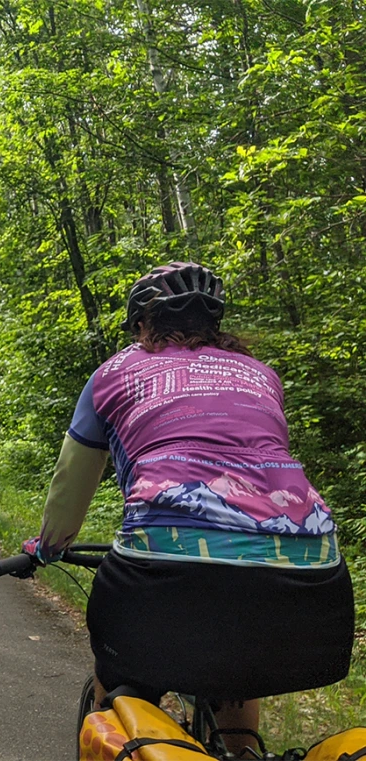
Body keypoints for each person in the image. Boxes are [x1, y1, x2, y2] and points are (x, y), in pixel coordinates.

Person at [23, 261, 353, 753]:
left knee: (119, 689)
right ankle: (240, 748)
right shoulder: (262, 375)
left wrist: (46, 549)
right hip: (315, 579)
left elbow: (71, 482)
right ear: (215, 323)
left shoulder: (114, 373)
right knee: (238, 678)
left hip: (163, 572)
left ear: (140, 325)